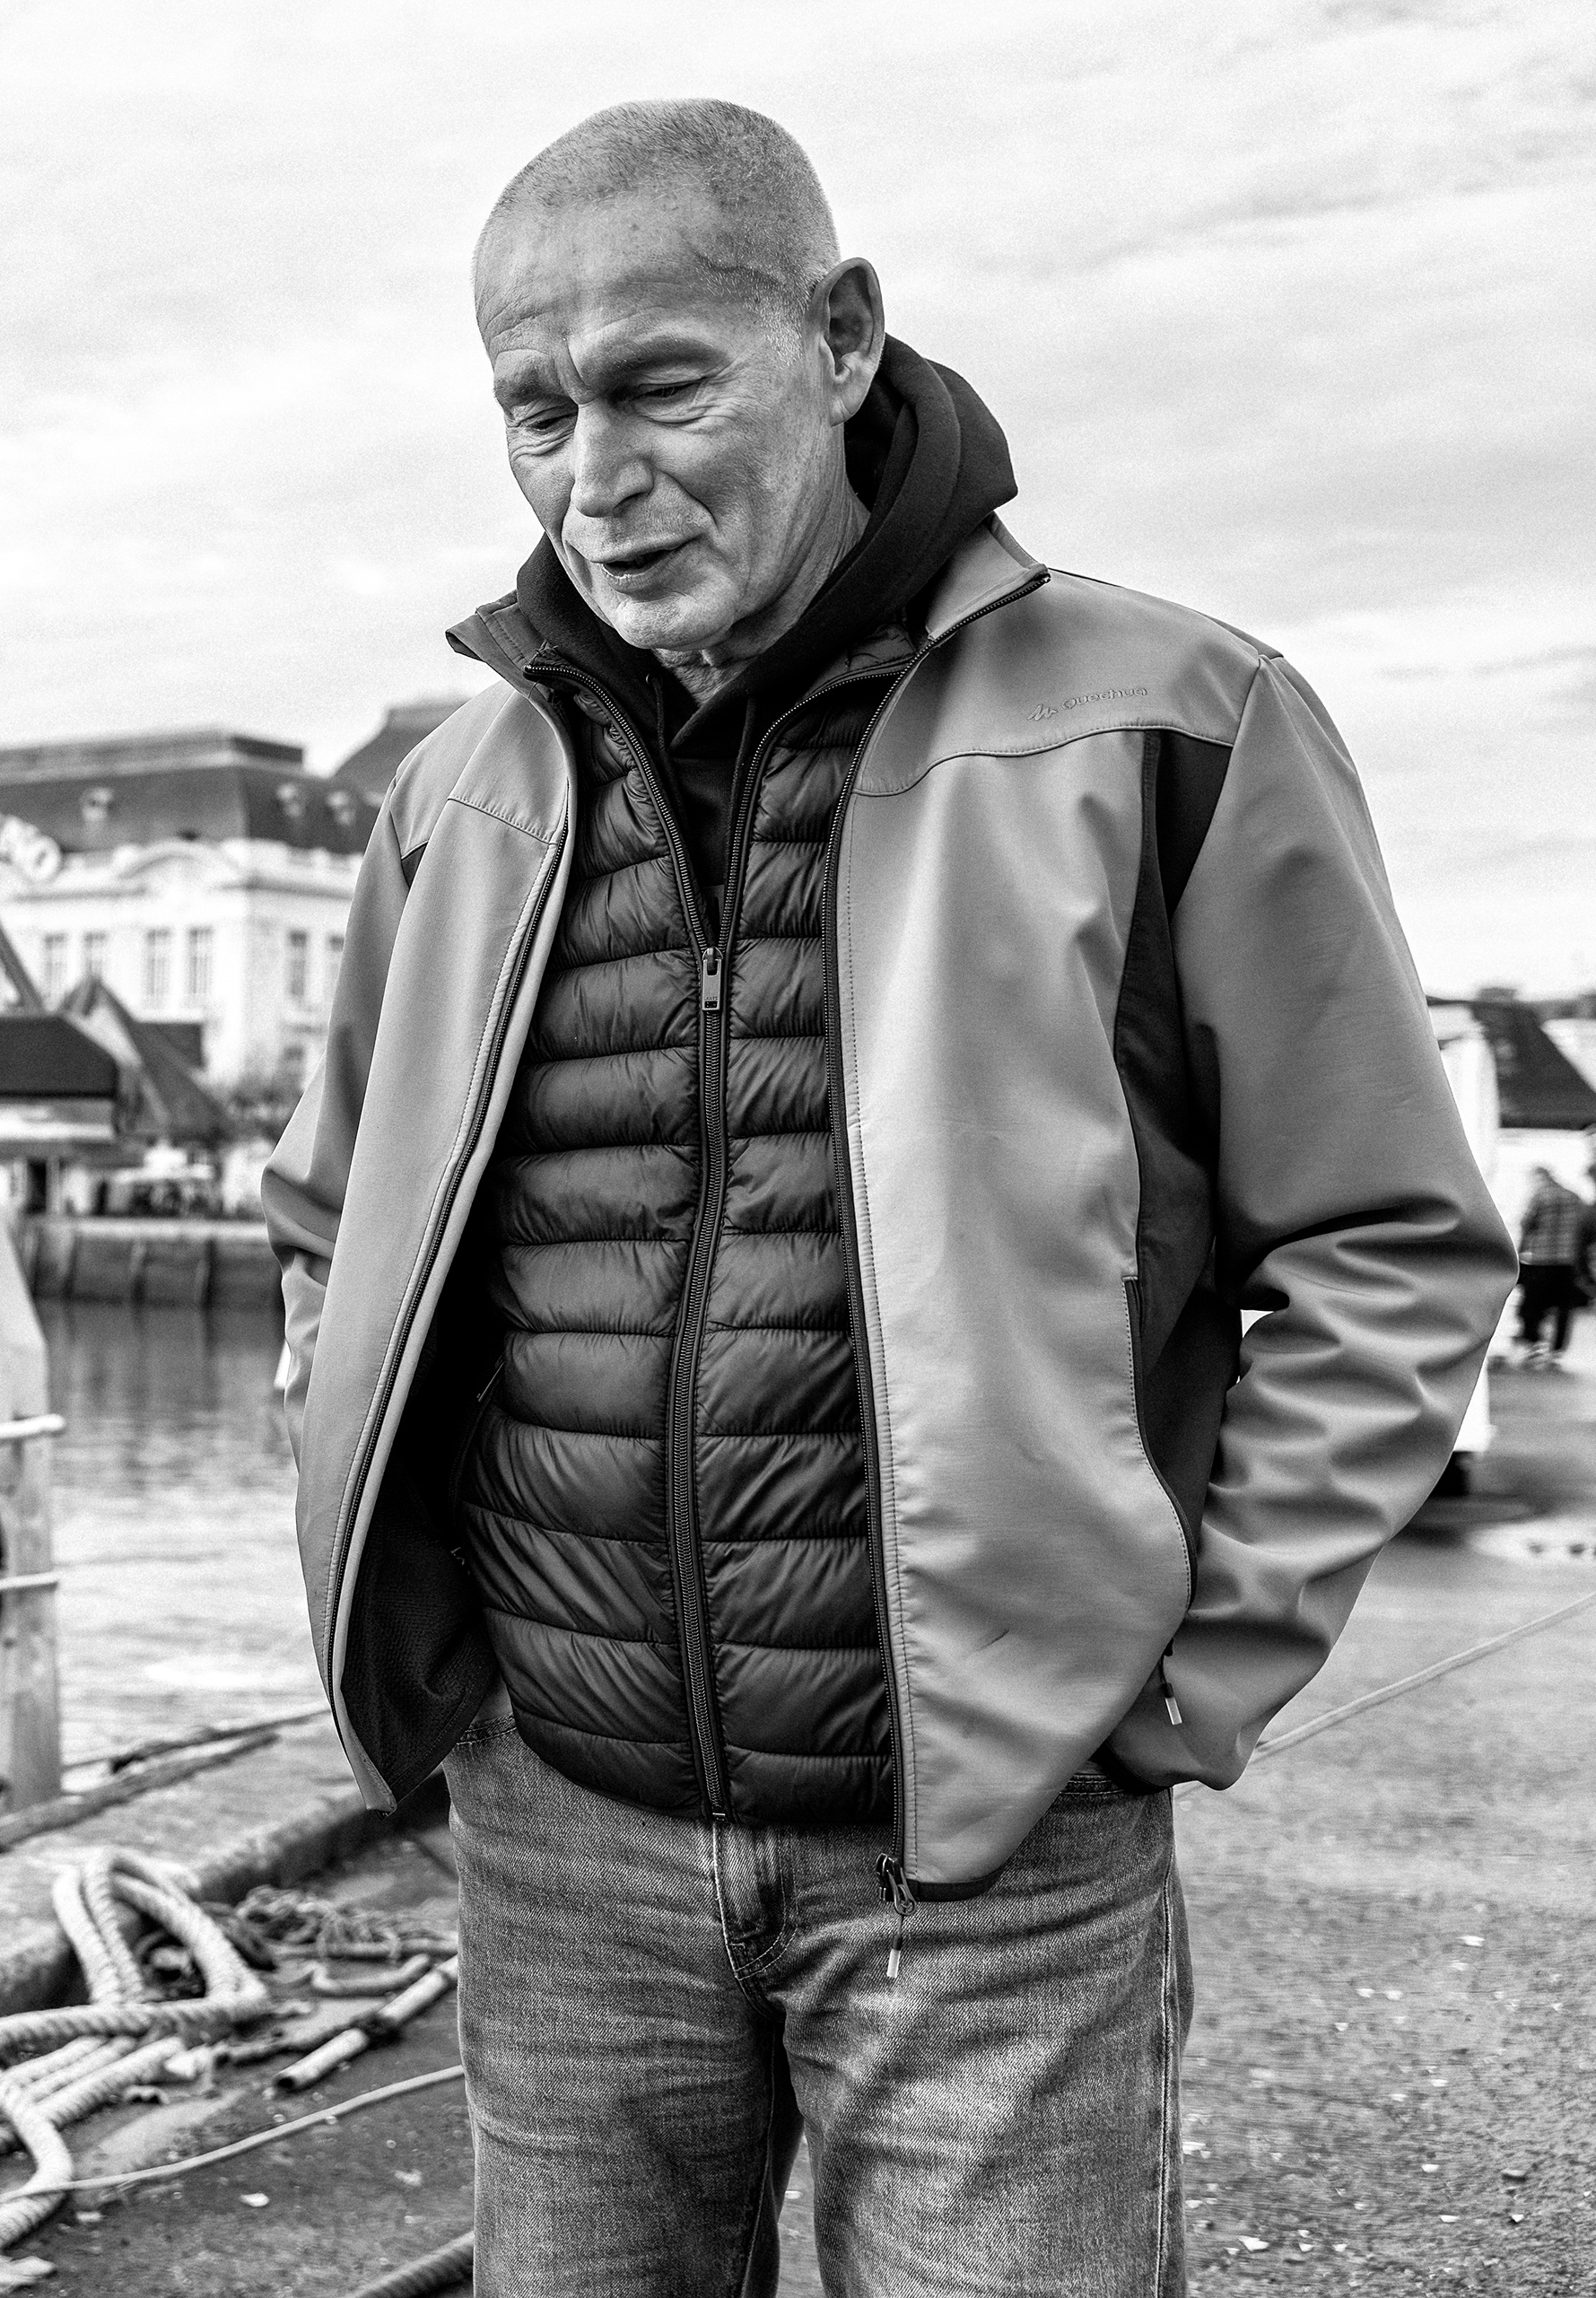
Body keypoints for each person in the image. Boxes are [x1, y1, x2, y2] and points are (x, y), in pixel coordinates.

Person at [264, 100, 1511, 2297]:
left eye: (660, 385)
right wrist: (454, 1680)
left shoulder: (1173, 720)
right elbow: (329, 1223)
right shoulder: (457, 793)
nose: (592, 477)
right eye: (534, 412)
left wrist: (1177, 1672)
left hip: (994, 1857)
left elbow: (1385, 1244)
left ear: (840, 338)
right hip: (561, 1834)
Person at [1510, 1166, 1588, 1367]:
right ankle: (1556, 1351)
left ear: (1540, 1177)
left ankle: (1533, 1345)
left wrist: (1518, 1253)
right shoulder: (1574, 1197)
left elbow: (1526, 1224)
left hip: (1541, 1260)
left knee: (1533, 1305)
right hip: (1567, 1261)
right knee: (1563, 1307)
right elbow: (1583, 1228)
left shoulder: (1540, 1196)